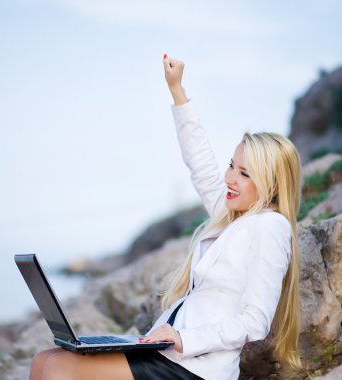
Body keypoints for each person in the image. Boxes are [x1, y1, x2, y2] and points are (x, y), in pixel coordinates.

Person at [29, 55, 302, 380]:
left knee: (58, 367)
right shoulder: (233, 217)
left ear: (270, 184)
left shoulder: (271, 226)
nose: (230, 178)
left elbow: (255, 321)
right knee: (44, 359)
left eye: (244, 173)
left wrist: (185, 339)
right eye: (232, 165)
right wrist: (178, 92)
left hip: (195, 367)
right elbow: (200, 163)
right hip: (166, 351)